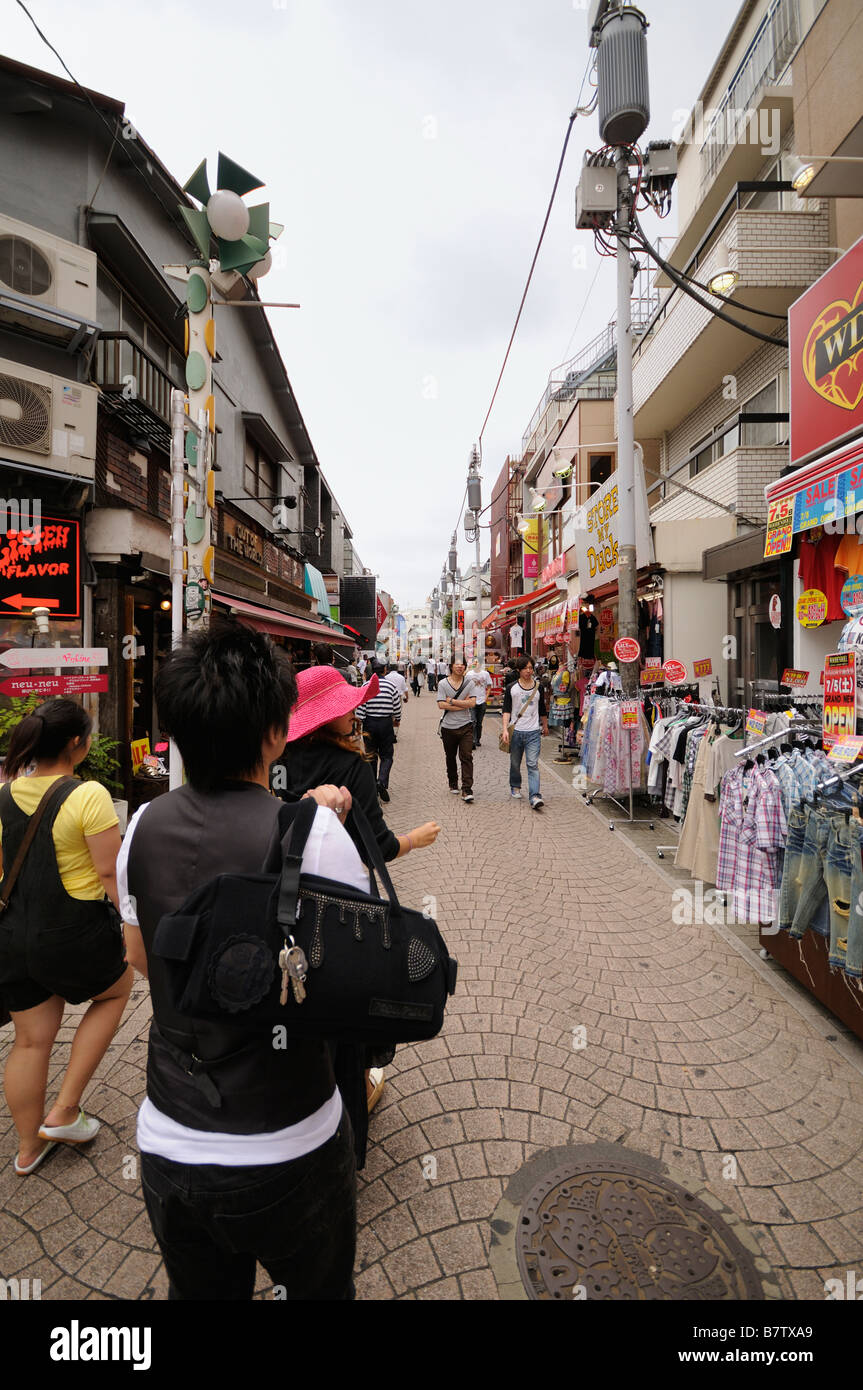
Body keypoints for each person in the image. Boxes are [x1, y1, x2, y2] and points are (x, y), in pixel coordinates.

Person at [119, 618, 363, 1301]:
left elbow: (139, 953)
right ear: (275, 732)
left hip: (169, 1135)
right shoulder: (312, 832)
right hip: (291, 1139)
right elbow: (348, 980)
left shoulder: (142, 825)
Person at [270, 665, 441, 1154]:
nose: (357, 711)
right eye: (348, 706)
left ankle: (296, 1081)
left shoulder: (278, 760)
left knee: (292, 990)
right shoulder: (351, 769)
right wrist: (417, 839)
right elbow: (378, 849)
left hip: (281, 896)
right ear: (331, 716)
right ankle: (351, 1091)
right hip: (341, 901)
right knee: (342, 989)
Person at [0, 699, 133, 1176]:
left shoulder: (3, 794)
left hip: (14, 935)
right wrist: (134, 930)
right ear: (77, 744)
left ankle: (27, 1150)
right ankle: (65, 1110)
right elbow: (111, 873)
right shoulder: (88, 794)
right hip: (74, 932)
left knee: (30, 1041)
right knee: (118, 991)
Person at [502, 655, 550, 810]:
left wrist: (545, 725)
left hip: (533, 732)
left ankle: (535, 796)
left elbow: (542, 708)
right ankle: (515, 785)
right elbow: (506, 710)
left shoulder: (539, 687)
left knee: (532, 764)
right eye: (525, 668)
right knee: (515, 763)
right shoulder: (512, 688)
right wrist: (505, 729)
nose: (529, 671)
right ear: (519, 670)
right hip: (516, 731)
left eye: (531, 668)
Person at [355, 663, 402, 802]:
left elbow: (361, 707)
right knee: (387, 755)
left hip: (370, 723)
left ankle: (373, 788)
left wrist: (360, 723)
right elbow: (397, 705)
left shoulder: (365, 686)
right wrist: (397, 719)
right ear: (385, 670)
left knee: (371, 755)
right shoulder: (391, 686)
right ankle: (381, 782)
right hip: (386, 724)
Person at [437, 659, 477, 803]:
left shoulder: (469, 683)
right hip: (448, 727)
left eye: (462, 664)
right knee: (450, 757)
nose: (460, 666)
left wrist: (452, 701)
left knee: (467, 757)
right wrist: (463, 704)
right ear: (451, 666)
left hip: (466, 726)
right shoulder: (442, 683)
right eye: (457, 664)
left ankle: (467, 790)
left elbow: (472, 703)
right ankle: (453, 782)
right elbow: (441, 705)